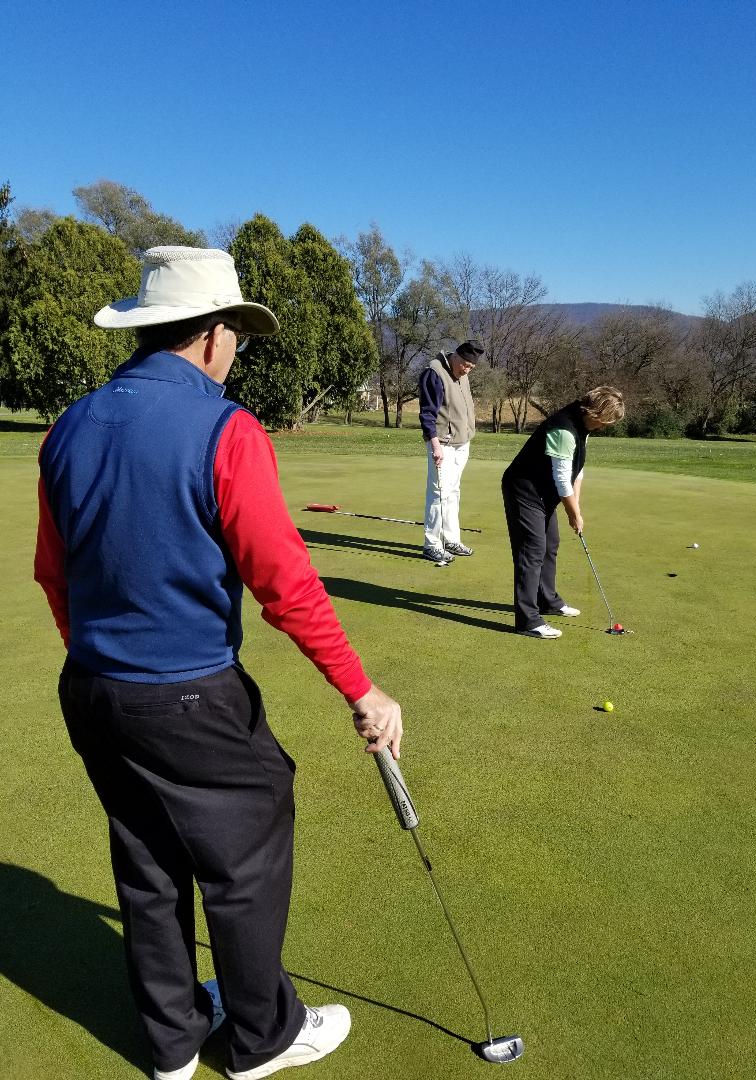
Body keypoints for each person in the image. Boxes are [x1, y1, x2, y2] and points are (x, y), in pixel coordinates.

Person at [34, 246, 402, 1080]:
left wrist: (103, 665)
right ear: (210, 336)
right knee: (246, 852)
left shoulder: (70, 425)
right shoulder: (225, 429)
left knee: (148, 859)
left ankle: (171, 1043)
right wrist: (361, 687)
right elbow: (287, 584)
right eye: (235, 332)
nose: (235, 348)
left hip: (92, 688)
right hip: (190, 697)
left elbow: (54, 575)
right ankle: (262, 1035)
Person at [501, 386, 625, 638]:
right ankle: (527, 620)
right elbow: (561, 479)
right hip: (524, 489)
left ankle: (547, 600)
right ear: (593, 411)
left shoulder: (583, 425)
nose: (603, 427)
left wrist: (576, 507)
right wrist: (573, 514)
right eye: (603, 421)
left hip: (543, 492)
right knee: (532, 550)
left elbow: (576, 470)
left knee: (550, 544)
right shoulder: (564, 429)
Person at [417, 340, 484, 563]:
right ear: (455, 356)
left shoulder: (463, 376)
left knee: (453, 492)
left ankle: (451, 539)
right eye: (464, 364)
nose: (466, 370)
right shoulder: (434, 372)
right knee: (438, 494)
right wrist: (434, 445)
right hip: (442, 444)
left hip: (461, 444)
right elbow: (427, 414)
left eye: (471, 368)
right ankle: (432, 544)